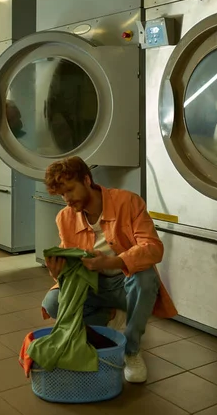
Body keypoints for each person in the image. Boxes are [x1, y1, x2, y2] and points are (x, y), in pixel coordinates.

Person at [41, 156, 177, 383]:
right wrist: (57, 273)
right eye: (61, 194)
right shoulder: (64, 217)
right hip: (91, 284)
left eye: (70, 190)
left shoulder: (128, 202)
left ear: (87, 180)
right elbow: (71, 266)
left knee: (145, 278)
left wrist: (111, 262)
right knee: (52, 302)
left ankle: (131, 351)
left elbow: (154, 249)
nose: (67, 200)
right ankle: (108, 315)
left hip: (125, 283)